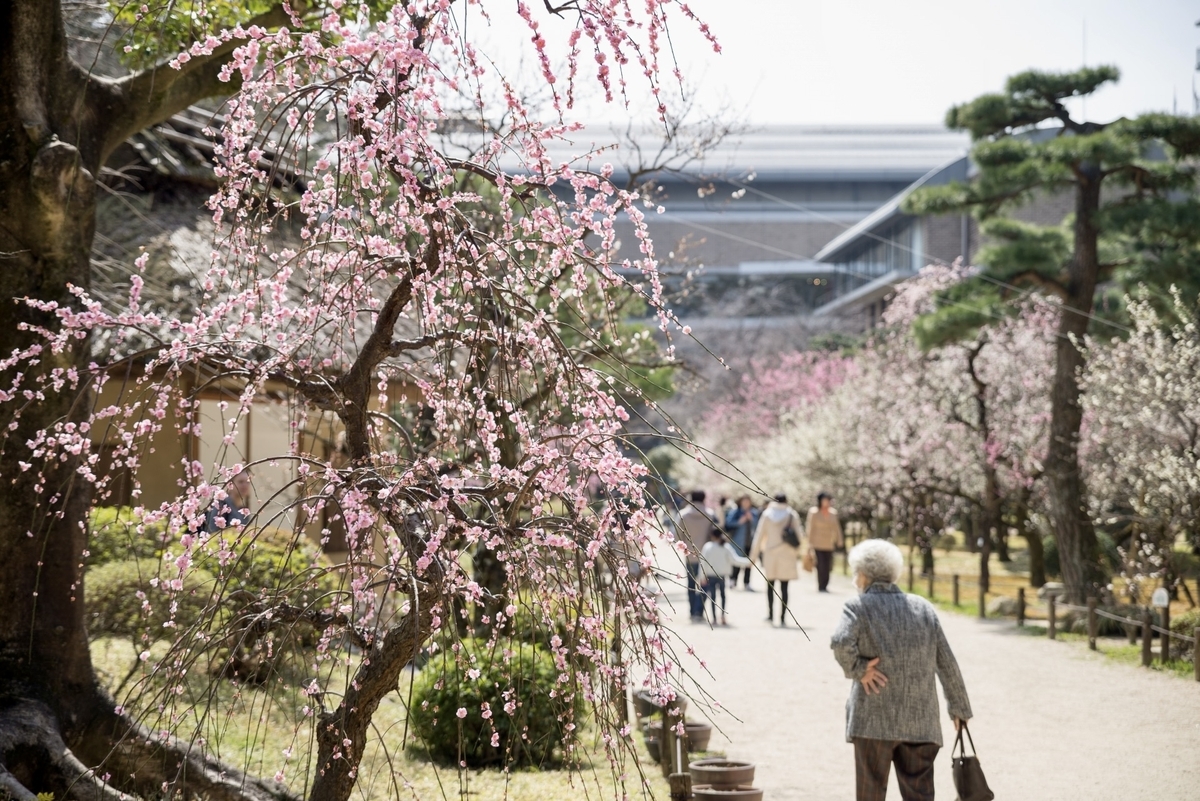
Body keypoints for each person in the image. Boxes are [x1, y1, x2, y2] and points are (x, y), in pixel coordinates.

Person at [831, 539, 973, 801]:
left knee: (870, 794)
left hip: (872, 720)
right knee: (919, 795)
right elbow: (946, 661)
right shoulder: (923, 608)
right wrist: (959, 708)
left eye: (855, 573)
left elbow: (840, 642)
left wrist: (860, 670)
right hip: (920, 721)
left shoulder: (857, 607)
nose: (854, 580)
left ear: (864, 575)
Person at [749, 493, 803, 626]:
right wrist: (798, 552)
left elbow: (759, 535)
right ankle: (783, 617)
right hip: (787, 553)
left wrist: (753, 556)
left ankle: (770, 614)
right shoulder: (791, 514)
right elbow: (800, 535)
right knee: (785, 587)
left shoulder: (767, 514)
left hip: (770, 553)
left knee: (770, 585)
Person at [679, 490, 718, 622]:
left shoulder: (683, 515)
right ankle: (699, 610)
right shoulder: (710, 514)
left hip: (689, 553)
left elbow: (678, 535)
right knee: (704, 584)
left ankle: (692, 611)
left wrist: (685, 545)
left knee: (691, 584)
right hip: (706, 555)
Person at [699, 529, 751, 626]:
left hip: (711, 576)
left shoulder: (708, 547)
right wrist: (748, 562)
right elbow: (735, 560)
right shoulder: (726, 547)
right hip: (722, 576)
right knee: (723, 596)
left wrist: (702, 576)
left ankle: (714, 618)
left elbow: (703, 563)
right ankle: (722, 616)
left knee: (713, 597)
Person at [806, 491, 844, 592]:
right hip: (817, 542)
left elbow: (837, 528)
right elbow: (810, 528)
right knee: (821, 564)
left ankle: (825, 584)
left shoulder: (833, 513)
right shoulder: (814, 512)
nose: (827, 502)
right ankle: (821, 585)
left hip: (829, 543)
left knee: (828, 565)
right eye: (825, 500)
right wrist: (809, 543)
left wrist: (839, 540)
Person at [724, 495, 759, 589]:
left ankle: (747, 582)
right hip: (737, 542)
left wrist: (751, 519)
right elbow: (728, 523)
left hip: (750, 542)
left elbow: (758, 526)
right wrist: (739, 522)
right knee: (736, 561)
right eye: (744, 501)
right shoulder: (736, 512)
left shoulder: (754, 513)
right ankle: (733, 580)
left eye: (748, 501)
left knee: (749, 563)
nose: (746, 503)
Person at [205, 469, 253, 533]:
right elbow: (212, 532)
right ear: (230, 484)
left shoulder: (245, 510)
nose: (245, 485)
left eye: (248, 482)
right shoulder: (221, 505)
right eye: (241, 482)